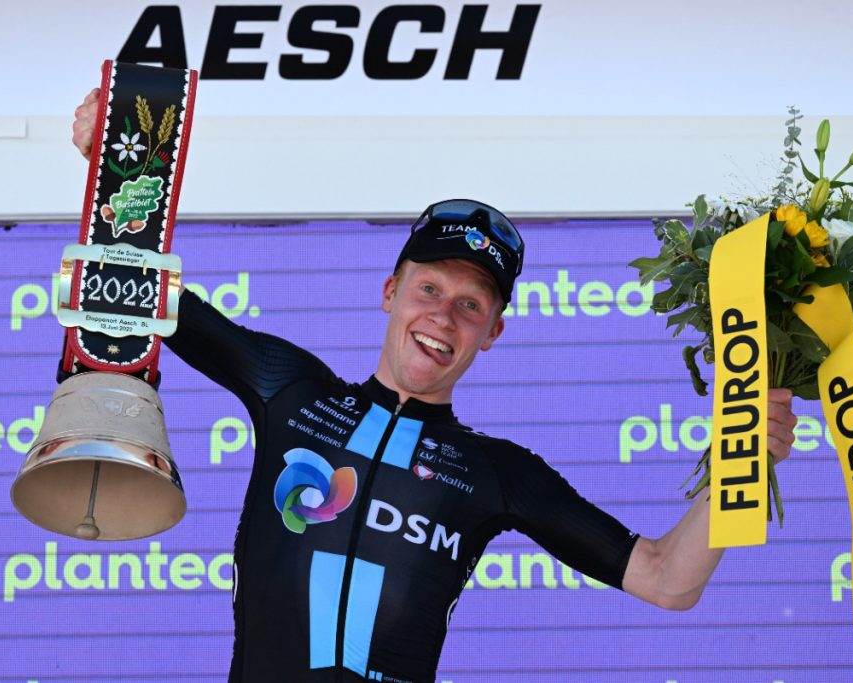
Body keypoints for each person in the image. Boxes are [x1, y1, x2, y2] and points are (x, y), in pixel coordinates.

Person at [72, 90, 799, 683]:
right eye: (429, 288)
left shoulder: (498, 472)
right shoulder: (289, 388)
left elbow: (668, 580)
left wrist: (744, 460)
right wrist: (115, 163)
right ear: (390, 291)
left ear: (493, 332)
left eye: (471, 305)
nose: (443, 316)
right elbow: (135, 289)